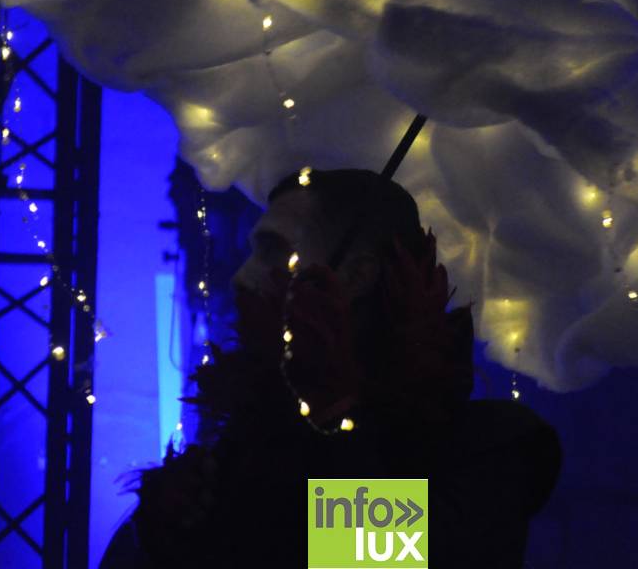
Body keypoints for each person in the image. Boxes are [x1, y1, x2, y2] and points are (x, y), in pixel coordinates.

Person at [100, 168, 562, 568]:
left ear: (357, 276)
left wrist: (333, 416)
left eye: (273, 251)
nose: (241, 276)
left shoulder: (495, 444)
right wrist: (158, 535)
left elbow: (392, 553)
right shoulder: (240, 442)